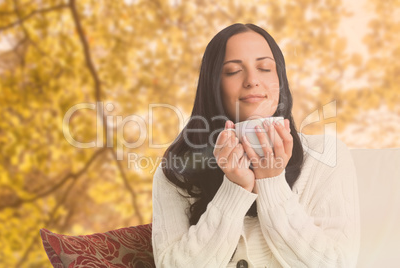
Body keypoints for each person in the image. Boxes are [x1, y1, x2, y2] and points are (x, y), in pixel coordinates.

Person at [151, 23, 360, 268]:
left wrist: (271, 182)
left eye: (264, 68)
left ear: (280, 80)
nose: (252, 81)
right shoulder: (177, 169)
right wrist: (234, 189)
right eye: (232, 71)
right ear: (213, 85)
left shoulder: (326, 155)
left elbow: (337, 263)